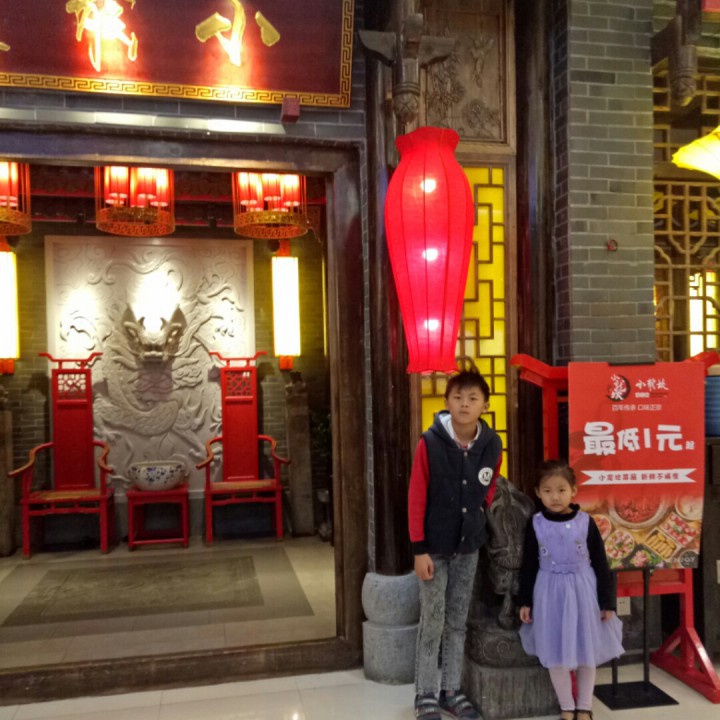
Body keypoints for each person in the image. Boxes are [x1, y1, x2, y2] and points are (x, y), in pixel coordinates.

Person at [408, 368, 503, 720]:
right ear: (447, 402)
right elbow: (416, 496)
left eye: (473, 398)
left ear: (485, 405)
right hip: (433, 547)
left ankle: (451, 690)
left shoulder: (491, 445)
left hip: (468, 545)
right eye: (458, 397)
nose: (465, 404)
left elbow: (490, 484)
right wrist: (418, 549)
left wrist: (479, 510)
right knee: (432, 620)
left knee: (458, 620)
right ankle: (424, 693)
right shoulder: (430, 442)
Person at [517, 460, 624, 720]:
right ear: (537, 492)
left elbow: (601, 563)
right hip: (548, 592)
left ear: (574, 491)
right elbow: (528, 564)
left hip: (583, 591)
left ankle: (584, 706)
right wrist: (525, 601)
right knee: (554, 650)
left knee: (586, 650)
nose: (555, 497)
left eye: (561, 490)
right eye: (548, 491)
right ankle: (566, 706)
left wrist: (607, 602)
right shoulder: (535, 523)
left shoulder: (586, 522)